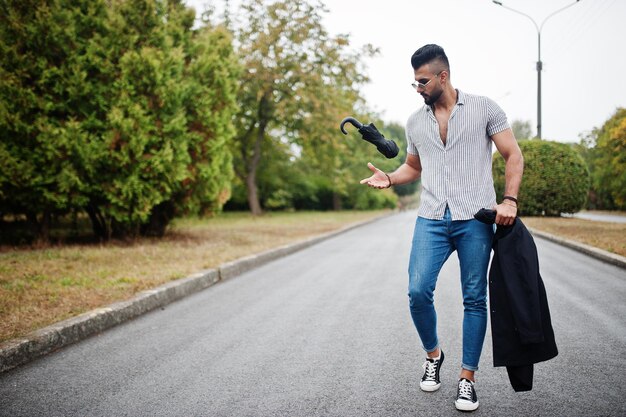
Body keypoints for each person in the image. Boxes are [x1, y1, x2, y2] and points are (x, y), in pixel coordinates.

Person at [360, 44, 523, 412]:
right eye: (414, 82)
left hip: (474, 218)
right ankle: (434, 355)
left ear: (443, 76)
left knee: (474, 298)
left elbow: (513, 154)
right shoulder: (415, 121)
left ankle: (467, 379)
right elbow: (413, 167)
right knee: (417, 291)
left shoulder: (485, 108)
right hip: (432, 218)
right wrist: (390, 178)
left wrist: (509, 200)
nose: (417, 88)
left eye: (422, 81)